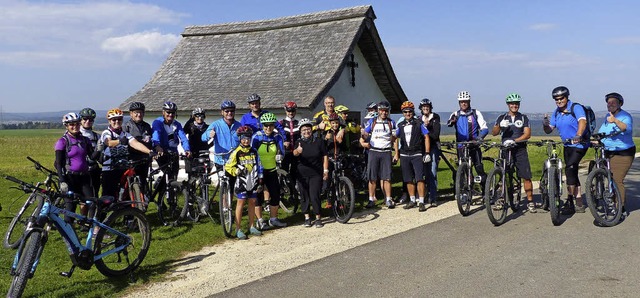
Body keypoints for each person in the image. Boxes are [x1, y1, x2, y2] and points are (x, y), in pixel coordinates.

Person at [543, 86, 588, 213]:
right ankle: (579, 201)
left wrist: (578, 135)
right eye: (556, 99)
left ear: (567, 97)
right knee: (572, 170)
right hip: (567, 145)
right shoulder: (556, 112)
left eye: (561, 98)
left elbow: (582, 121)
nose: (559, 101)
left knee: (570, 169)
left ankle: (569, 200)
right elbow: (549, 130)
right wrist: (545, 123)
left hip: (579, 145)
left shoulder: (576, 107)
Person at [491, 93, 535, 212]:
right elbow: (494, 132)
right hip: (505, 149)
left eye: (516, 103)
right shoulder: (502, 117)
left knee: (526, 176)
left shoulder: (523, 118)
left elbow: (527, 134)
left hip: (519, 149)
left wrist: (514, 140)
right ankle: (501, 199)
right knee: (502, 176)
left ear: (519, 105)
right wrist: (500, 126)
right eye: (512, 104)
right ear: (508, 105)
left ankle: (530, 201)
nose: (514, 106)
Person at [100, 108, 154, 200]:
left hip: (123, 167)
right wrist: (120, 141)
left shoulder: (125, 134)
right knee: (108, 196)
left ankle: (129, 212)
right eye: (114, 120)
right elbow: (108, 142)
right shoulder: (107, 132)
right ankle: (102, 214)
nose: (117, 121)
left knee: (127, 194)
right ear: (109, 121)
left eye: (119, 119)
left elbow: (135, 144)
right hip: (110, 168)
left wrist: (150, 151)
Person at [596, 92, 635, 211]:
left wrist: (615, 121)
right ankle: (607, 198)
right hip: (608, 152)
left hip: (623, 153)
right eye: (608, 103)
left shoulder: (625, 116)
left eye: (613, 102)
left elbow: (625, 128)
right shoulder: (607, 118)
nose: (610, 104)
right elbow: (603, 133)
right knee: (608, 177)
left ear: (620, 104)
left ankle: (620, 208)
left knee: (617, 179)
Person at [55, 112, 95, 222]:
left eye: (77, 124)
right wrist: (62, 180)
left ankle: (89, 227)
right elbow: (58, 163)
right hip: (69, 178)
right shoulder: (62, 141)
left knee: (92, 203)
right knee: (70, 207)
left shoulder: (85, 140)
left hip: (84, 178)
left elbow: (92, 156)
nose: (75, 126)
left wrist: (99, 149)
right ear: (66, 126)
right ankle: (68, 234)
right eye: (71, 124)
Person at [225, 126, 264, 239]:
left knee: (252, 202)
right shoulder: (236, 152)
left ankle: (251, 226)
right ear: (239, 138)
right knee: (240, 203)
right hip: (241, 182)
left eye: (248, 138)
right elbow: (228, 166)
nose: (246, 140)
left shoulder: (254, 151)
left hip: (253, 180)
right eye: (243, 138)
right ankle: (238, 229)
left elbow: (259, 164)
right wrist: (235, 171)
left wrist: (260, 176)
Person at [447, 91, 489, 193]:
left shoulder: (475, 113)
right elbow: (449, 123)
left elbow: (485, 128)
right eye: (461, 102)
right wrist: (452, 122)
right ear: (459, 103)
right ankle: (466, 191)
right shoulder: (455, 114)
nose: (463, 104)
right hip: (461, 146)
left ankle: (486, 191)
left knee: (479, 167)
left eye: (465, 101)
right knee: (464, 169)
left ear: (469, 102)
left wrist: (480, 137)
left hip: (474, 145)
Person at [251, 112, 287, 229]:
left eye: (271, 125)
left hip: (271, 170)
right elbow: (251, 152)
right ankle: (260, 220)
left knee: (275, 194)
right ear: (262, 125)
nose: (268, 128)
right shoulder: (257, 137)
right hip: (259, 171)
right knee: (258, 196)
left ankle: (273, 219)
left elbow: (281, 149)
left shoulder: (277, 137)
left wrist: (280, 154)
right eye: (265, 125)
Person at [394, 101, 430, 212]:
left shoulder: (419, 123)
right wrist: (396, 153)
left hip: (417, 153)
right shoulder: (400, 125)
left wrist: (427, 153)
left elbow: (426, 137)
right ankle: (412, 200)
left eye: (409, 111)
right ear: (403, 113)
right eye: (405, 112)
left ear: (412, 112)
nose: (408, 114)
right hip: (404, 154)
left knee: (419, 178)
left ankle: (422, 201)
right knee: (408, 179)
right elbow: (395, 138)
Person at [294, 118, 329, 227]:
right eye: (304, 130)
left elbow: (325, 156)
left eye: (308, 129)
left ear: (311, 130)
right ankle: (307, 217)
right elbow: (294, 154)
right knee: (304, 196)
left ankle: (318, 217)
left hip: (316, 173)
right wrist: (298, 152)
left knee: (314, 195)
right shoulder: (298, 142)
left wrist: (325, 170)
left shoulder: (318, 141)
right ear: (300, 131)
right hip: (302, 174)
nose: (306, 132)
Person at [362, 101, 397, 209]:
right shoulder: (372, 122)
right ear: (378, 111)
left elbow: (395, 139)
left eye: (386, 111)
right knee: (372, 177)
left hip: (386, 152)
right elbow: (365, 134)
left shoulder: (392, 123)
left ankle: (388, 199)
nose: (384, 113)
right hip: (374, 151)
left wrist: (396, 153)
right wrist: (363, 137)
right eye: (382, 110)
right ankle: (371, 199)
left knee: (387, 177)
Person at [151, 101, 191, 183]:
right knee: (167, 173)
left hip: (173, 152)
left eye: (173, 113)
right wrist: (157, 146)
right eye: (168, 112)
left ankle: (172, 194)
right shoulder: (158, 122)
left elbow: (183, 138)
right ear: (163, 112)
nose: (170, 115)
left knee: (174, 175)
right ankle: (161, 186)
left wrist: (187, 149)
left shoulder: (177, 124)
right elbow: (156, 135)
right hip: (162, 152)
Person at [123, 102, 153, 195]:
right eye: (136, 112)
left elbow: (150, 141)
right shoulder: (126, 126)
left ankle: (141, 204)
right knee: (130, 183)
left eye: (141, 112)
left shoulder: (147, 126)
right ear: (131, 113)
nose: (138, 114)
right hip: (131, 159)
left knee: (143, 182)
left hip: (145, 159)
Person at [420, 98, 441, 207]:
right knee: (424, 172)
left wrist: (426, 128)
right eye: (423, 107)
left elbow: (435, 135)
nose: (425, 108)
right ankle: (423, 195)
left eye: (427, 107)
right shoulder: (419, 119)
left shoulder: (435, 118)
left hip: (433, 147)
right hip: (422, 148)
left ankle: (433, 197)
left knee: (432, 171)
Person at [79, 107, 101, 198]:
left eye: (91, 119)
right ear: (80, 119)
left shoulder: (97, 136)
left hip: (93, 169)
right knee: (81, 197)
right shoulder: (75, 134)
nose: (88, 121)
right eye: (85, 119)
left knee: (94, 195)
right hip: (80, 170)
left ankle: (94, 212)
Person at [280, 101, 300, 195]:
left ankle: (293, 192)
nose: (291, 113)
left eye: (292, 111)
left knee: (294, 171)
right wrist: (282, 142)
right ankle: (282, 190)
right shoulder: (281, 123)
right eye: (289, 111)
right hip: (285, 152)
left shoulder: (298, 123)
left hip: (296, 152)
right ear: (285, 111)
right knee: (284, 171)